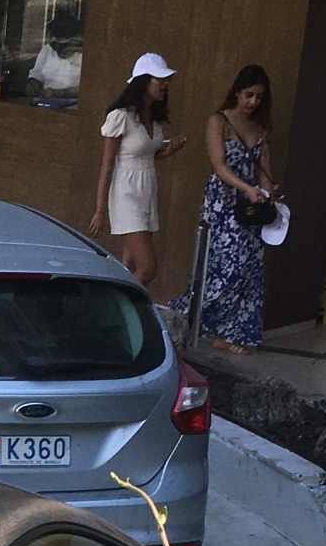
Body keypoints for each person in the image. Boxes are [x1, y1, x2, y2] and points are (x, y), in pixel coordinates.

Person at [169, 63, 276, 354]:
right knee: (226, 265)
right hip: (224, 201)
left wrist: (268, 192)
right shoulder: (219, 121)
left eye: (258, 96)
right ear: (237, 93)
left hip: (251, 205)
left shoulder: (260, 129)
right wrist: (246, 188)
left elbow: (264, 168)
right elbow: (219, 165)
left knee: (249, 268)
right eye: (248, 95)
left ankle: (229, 333)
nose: (252, 102)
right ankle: (182, 315)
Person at [88, 51, 189, 289]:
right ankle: (114, 302)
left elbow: (146, 156)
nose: (165, 84)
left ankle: (120, 310)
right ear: (144, 82)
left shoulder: (153, 117)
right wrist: (101, 210)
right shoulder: (121, 116)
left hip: (147, 191)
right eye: (159, 79)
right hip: (126, 193)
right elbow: (108, 164)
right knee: (147, 267)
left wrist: (169, 151)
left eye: (166, 79)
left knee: (129, 264)